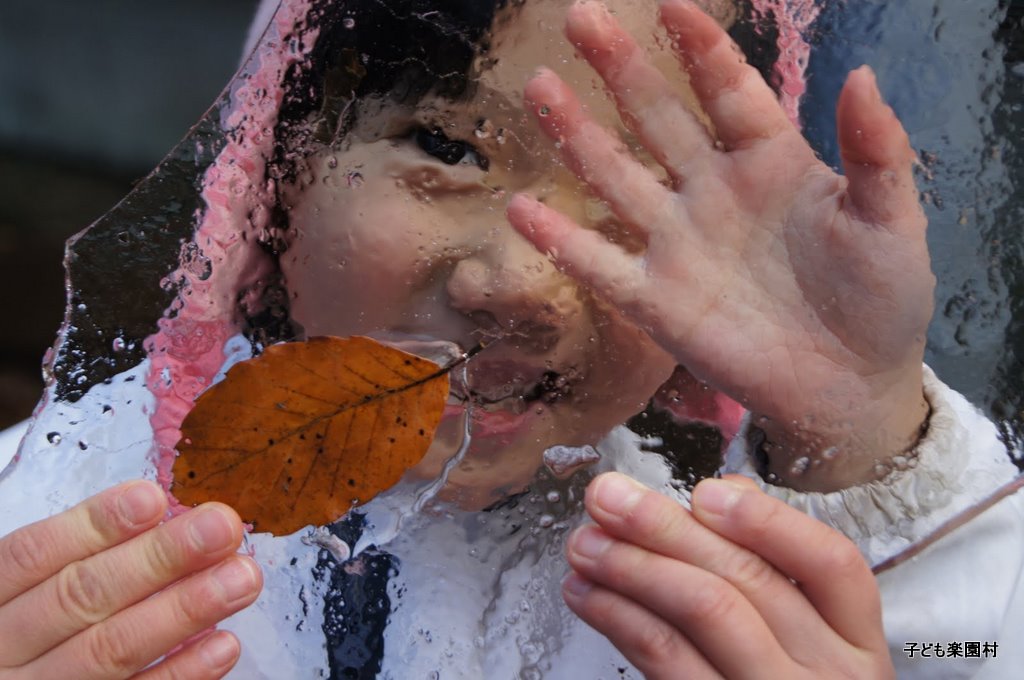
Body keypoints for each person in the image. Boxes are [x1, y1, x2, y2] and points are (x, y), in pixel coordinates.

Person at [0, 0, 1021, 678]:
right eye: (445, 146)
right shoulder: (29, 549)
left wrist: (864, 433)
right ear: (277, 167)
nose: (519, 283)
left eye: (647, 191)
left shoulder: (723, 610)